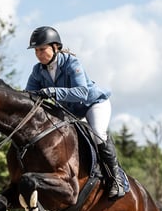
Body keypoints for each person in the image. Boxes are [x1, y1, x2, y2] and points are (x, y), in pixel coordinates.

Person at [25, 25, 125, 200]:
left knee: (98, 135)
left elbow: (82, 92)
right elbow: (28, 97)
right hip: (70, 112)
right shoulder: (37, 71)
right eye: (36, 51)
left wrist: (53, 92)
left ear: (55, 47)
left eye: (42, 49)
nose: (39, 54)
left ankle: (116, 179)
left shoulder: (72, 63)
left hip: (93, 104)